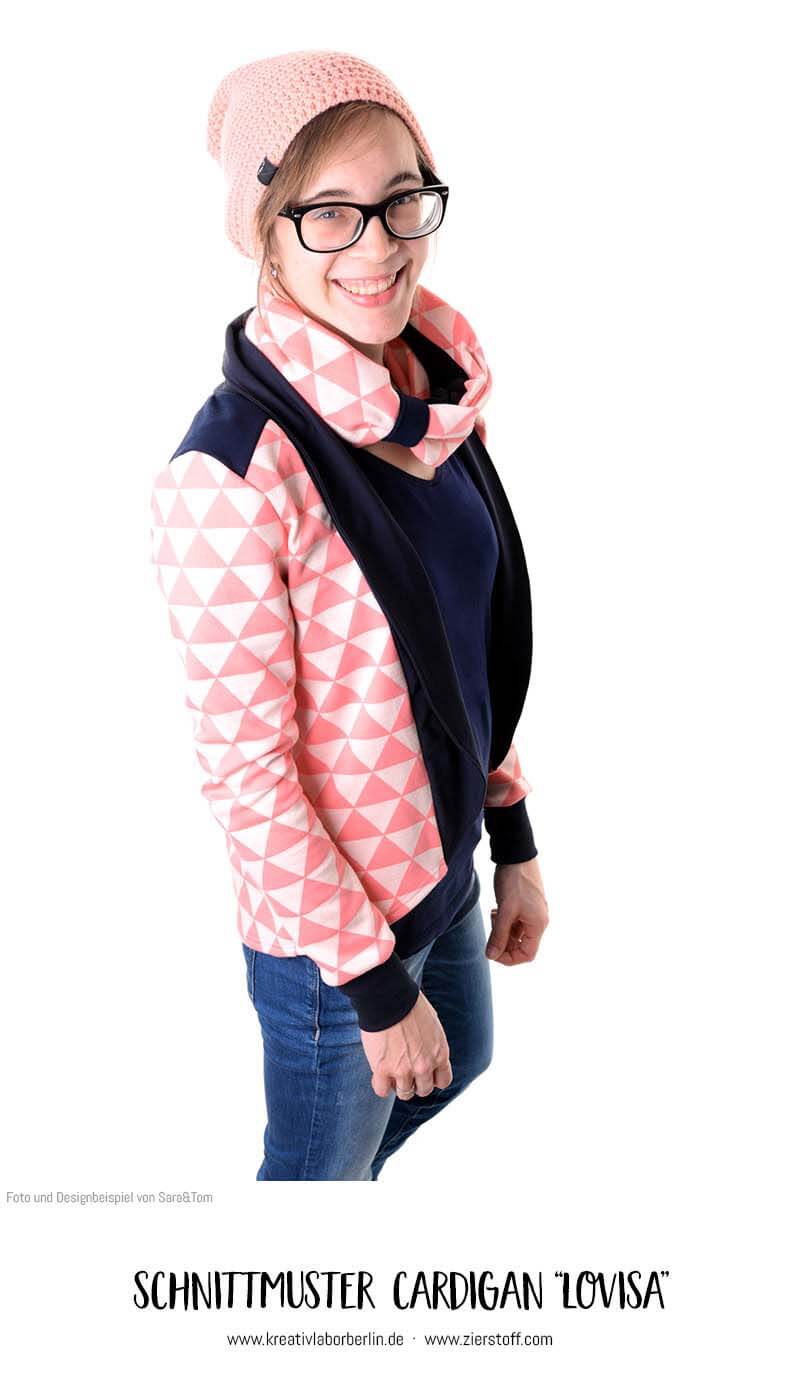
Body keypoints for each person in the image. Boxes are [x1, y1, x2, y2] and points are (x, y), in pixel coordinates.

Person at [150, 50, 549, 1181]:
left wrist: (513, 837)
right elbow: (248, 778)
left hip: (441, 863)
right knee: (313, 1191)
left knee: (464, 1060)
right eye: (327, 213)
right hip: (336, 944)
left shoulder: (431, 399)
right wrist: (375, 992)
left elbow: (466, 653)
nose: (376, 247)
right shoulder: (230, 473)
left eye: (399, 200)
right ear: (266, 237)